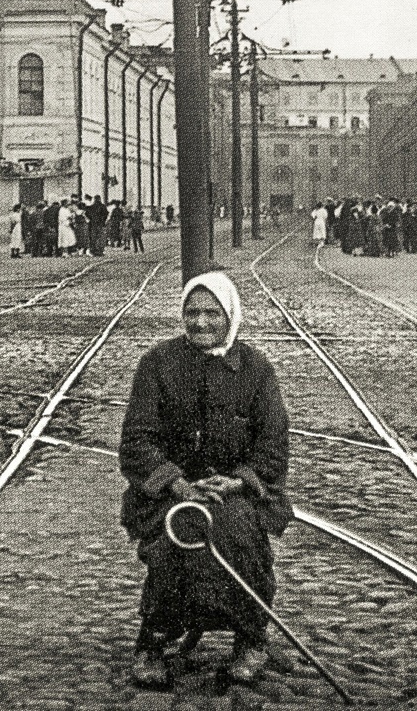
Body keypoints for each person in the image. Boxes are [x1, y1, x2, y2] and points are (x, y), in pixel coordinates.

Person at [120, 271, 292, 688]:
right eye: (191, 312)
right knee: (173, 539)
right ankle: (154, 640)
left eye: (211, 313)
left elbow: (273, 441)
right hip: (171, 490)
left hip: (235, 489)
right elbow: (136, 439)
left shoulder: (256, 368)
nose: (199, 322)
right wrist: (177, 483)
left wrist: (238, 481)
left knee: (236, 534)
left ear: (230, 315)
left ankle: (251, 638)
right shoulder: (158, 363)